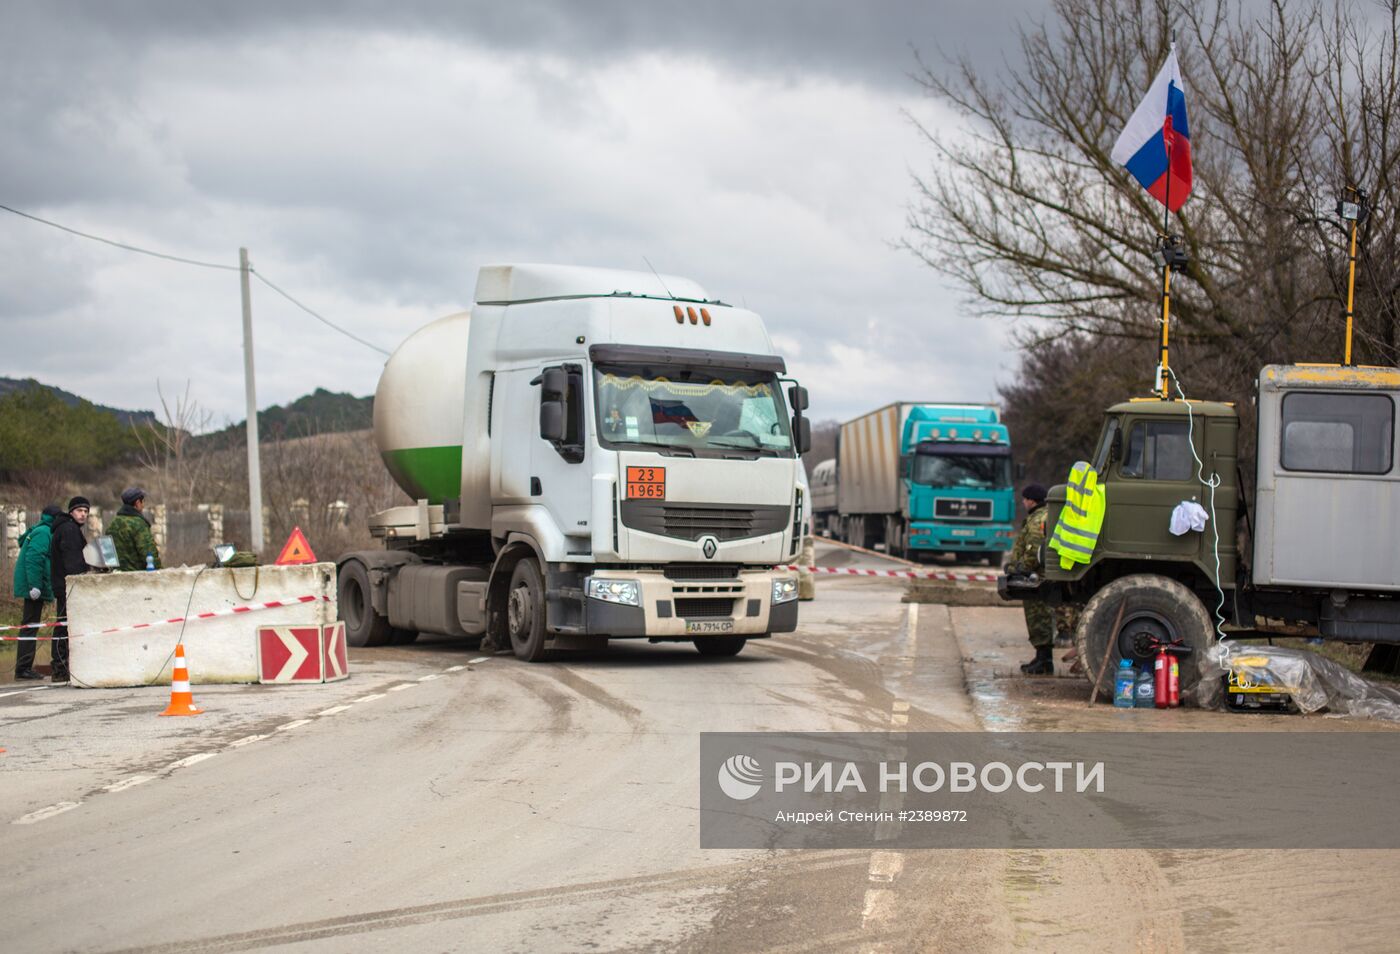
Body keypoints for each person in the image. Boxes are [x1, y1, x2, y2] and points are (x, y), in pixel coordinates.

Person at [1007, 483, 1055, 676]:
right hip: (1039, 576)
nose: (1023, 503)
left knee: (1038, 617)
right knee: (1040, 617)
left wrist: (1019, 569)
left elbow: (1035, 550)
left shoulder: (1037, 520)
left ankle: (1044, 661)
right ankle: (1041, 657)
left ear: (1031, 500)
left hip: (1036, 578)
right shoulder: (1043, 515)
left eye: (1025, 499)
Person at [11, 504, 61, 679]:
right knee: (29, 627)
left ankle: (23, 668)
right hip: (33, 586)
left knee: (30, 626)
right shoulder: (44, 533)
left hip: (34, 584)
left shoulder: (42, 530)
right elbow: (34, 559)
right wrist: (35, 586)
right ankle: (23, 669)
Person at [48, 495, 91, 683]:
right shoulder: (69, 530)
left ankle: (61, 666)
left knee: (63, 624)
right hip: (68, 585)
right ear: (71, 511)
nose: (83, 515)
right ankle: (60, 667)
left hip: (62, 584)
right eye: (80, 511)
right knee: (64, 626)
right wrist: (81, 578)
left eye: (86, 512)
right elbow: (73, 561)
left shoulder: (66, 528)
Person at [109, 487, 161, 571]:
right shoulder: (138, 524)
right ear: (137, 503)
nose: (143, 505)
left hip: (116, 577)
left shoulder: (113, 523)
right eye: (143, 501)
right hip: (136, 578)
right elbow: (149, 556)